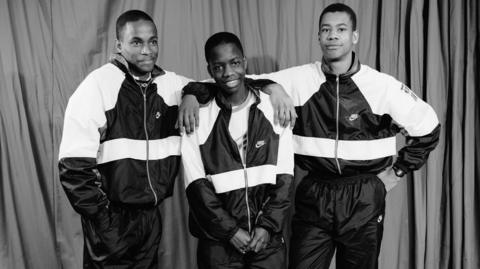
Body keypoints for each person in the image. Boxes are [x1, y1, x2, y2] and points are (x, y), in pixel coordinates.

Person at [182, 3, 441, 269]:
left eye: (341, 29)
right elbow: (235, 80)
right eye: (325, 30)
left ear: (354, 36)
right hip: (315, 192)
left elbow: (429, 127)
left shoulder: (383, 86)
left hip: (363, 195)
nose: (332, 36)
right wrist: (192, 93)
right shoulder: (298, 80)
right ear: (318, 36)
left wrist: (395, 173)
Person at [58, 10, 294, 268]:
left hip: (150, 217)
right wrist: (104, 220)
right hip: (112, 218)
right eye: (136, 42)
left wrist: (273, 87)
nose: (147, 50)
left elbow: (225, 81)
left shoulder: (172, 86)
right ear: (118, 45)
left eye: (153, 41)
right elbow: (73, 168)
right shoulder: (97, 86)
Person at [181, 32, 294, 269]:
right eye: (218, 66)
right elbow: (196, 186)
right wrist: (230, 231)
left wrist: (266, 226)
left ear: (244, 62)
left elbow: (284, 178)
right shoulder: (197, 117)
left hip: (267, 241)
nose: (228, 72)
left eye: (234, 63)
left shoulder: (274, 108)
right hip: (218, 244)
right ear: (210, 70)